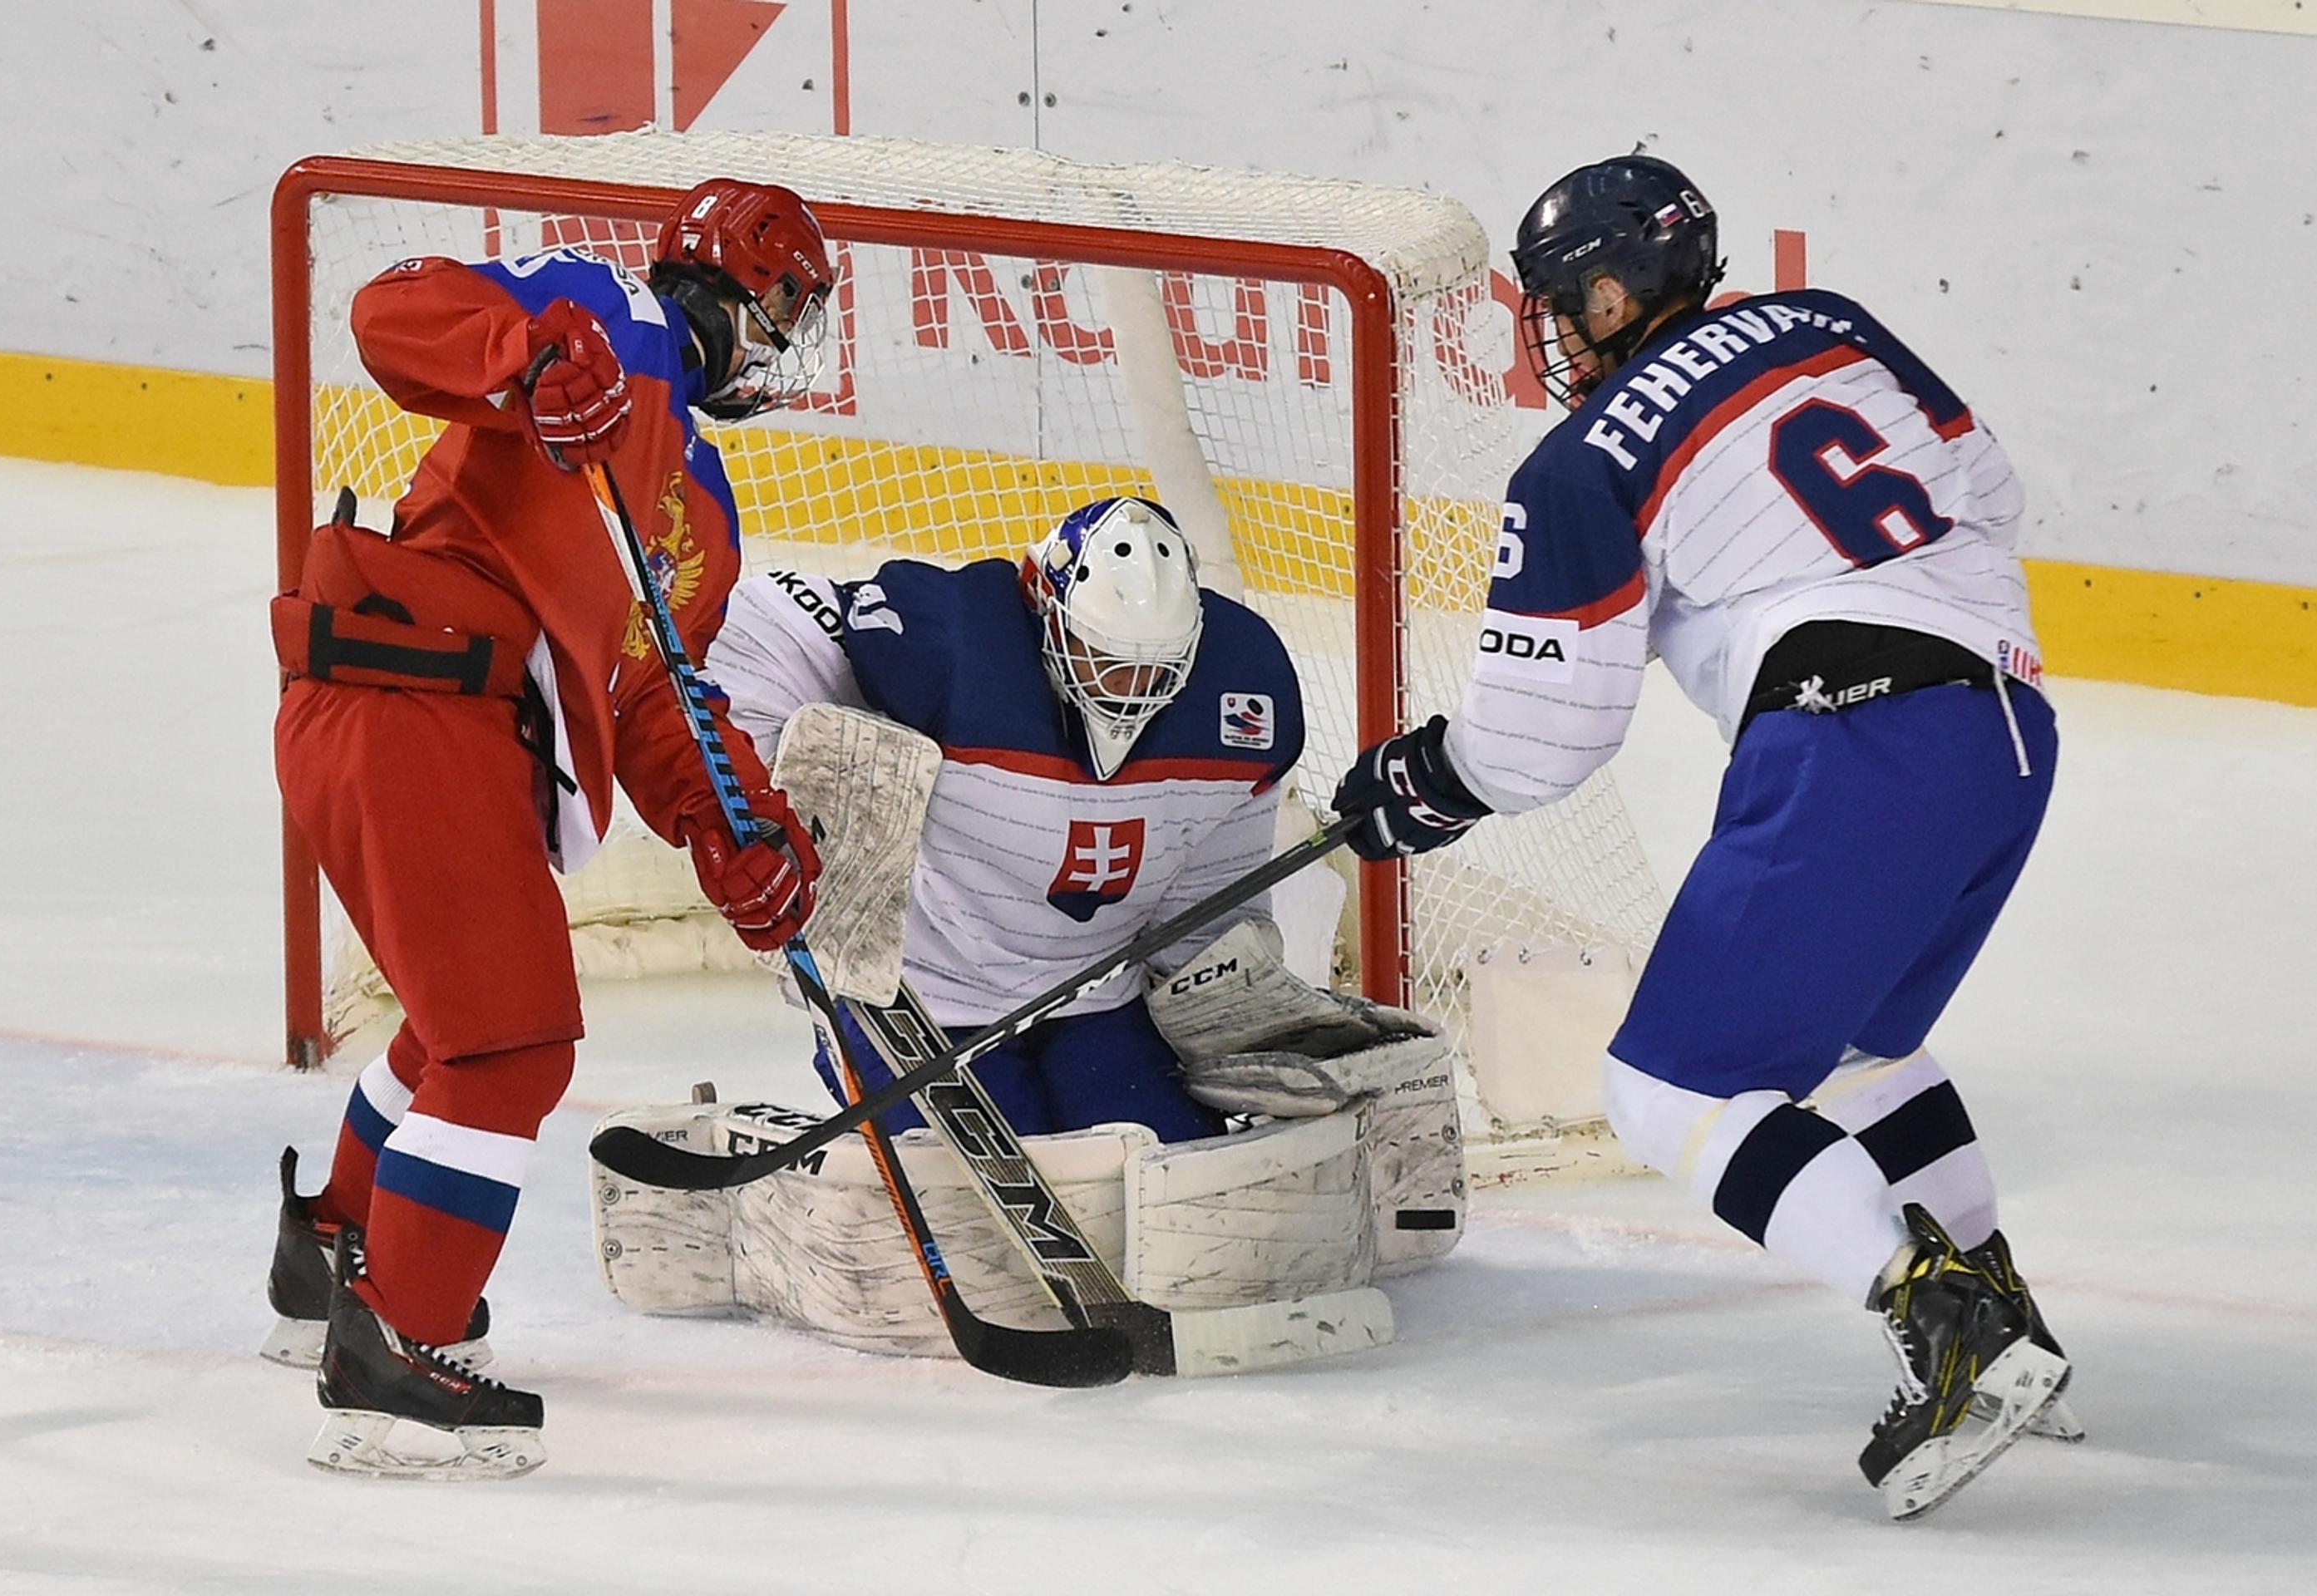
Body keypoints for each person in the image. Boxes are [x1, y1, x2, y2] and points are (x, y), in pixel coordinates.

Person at [1330, 153, 2075, 1518]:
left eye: (1562, 304)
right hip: (2007, 728)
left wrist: (1427, 779)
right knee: (1856, 1050)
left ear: (1612, 295)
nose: (1556, 332)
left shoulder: (1581, 462)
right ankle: (2002, 1312)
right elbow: (1988, 483)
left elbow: (1543, 741)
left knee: (1666, 1091)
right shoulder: (1827, 321)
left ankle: (1942, 1319)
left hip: (1853, 740)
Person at [261, 178, 836, 1480]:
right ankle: (391, 1354)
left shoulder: (698, 507)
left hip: (430, 726)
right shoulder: (600, 313)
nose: (787, 352)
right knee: (510, 1044)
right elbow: (392, 312)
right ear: (755, 301)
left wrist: (735, 828)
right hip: (412, 703)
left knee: (453, 1026)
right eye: (791, 317)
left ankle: (334, 1251)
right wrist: (521, 360)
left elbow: (655, 695)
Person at [702, 496, 1302, 1143]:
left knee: (1169, 1163)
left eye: (1152, 668)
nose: (1125, 685)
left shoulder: (1243, 689)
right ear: (1044, 607)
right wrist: (757, 798)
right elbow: (756, 621)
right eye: (1102, 655)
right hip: (921, 998)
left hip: (1102, 994)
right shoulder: (952, 643)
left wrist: (1230, 1001)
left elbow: (1212, 880)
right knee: (986, 1186)